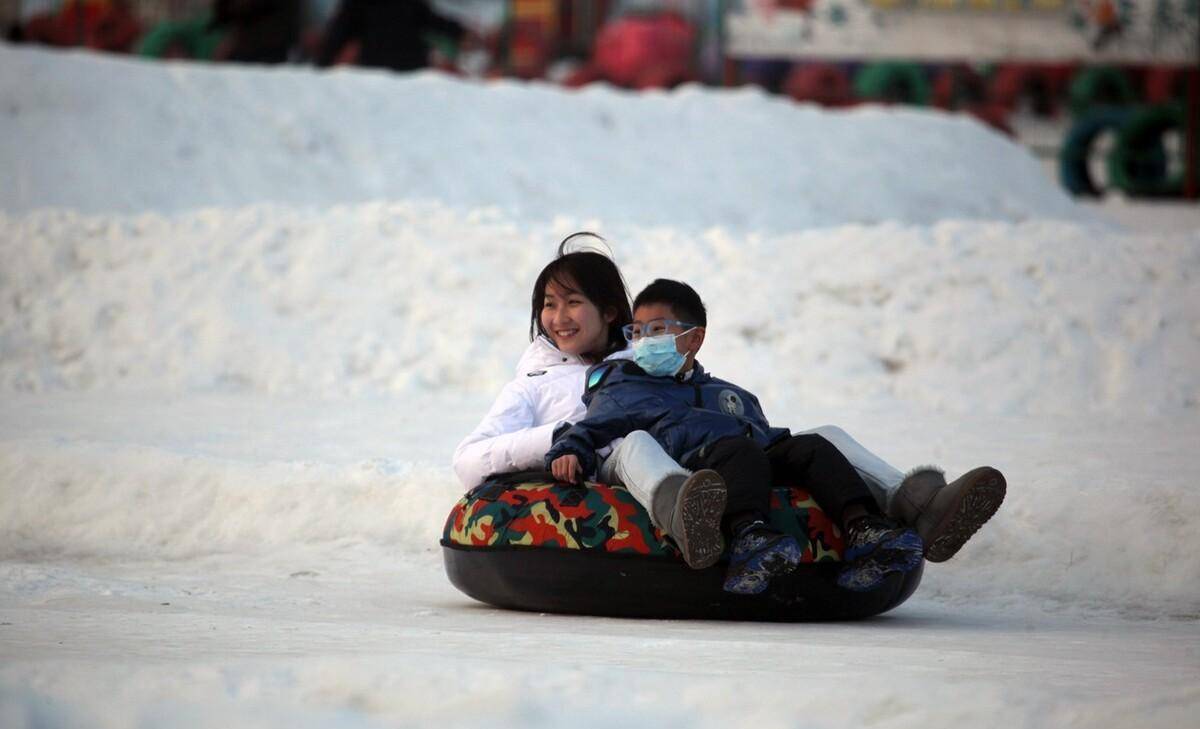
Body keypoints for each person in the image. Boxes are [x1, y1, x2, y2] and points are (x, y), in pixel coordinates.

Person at [546, 279, 929, 595]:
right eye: (638, 331)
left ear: (694, 340)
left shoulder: (730, 395)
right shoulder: (626, 388)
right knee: (739, 449)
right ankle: (749, 536)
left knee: (811, 446)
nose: (644, 341)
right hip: (695, 464)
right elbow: (588, 428)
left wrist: (790, 452)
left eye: (657, 330)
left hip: (749, 456)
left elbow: (767, 435)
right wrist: (569, 451)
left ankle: (865, 528)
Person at [453, 235, 729, 570]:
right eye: (549, 304)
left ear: (609, 311)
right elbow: (467, 461)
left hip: (678, 458)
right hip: (595, 480)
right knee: (634, 443)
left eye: (572, 302)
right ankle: (683, 514)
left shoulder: (649, 366)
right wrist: (559, 437)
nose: (558, 318)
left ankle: (736, 523)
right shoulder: (533, 385)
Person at [315, 0, 467, 72]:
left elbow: (339, 33)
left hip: (389, 66)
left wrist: (322, 64)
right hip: (393, 67)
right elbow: (429, 19)